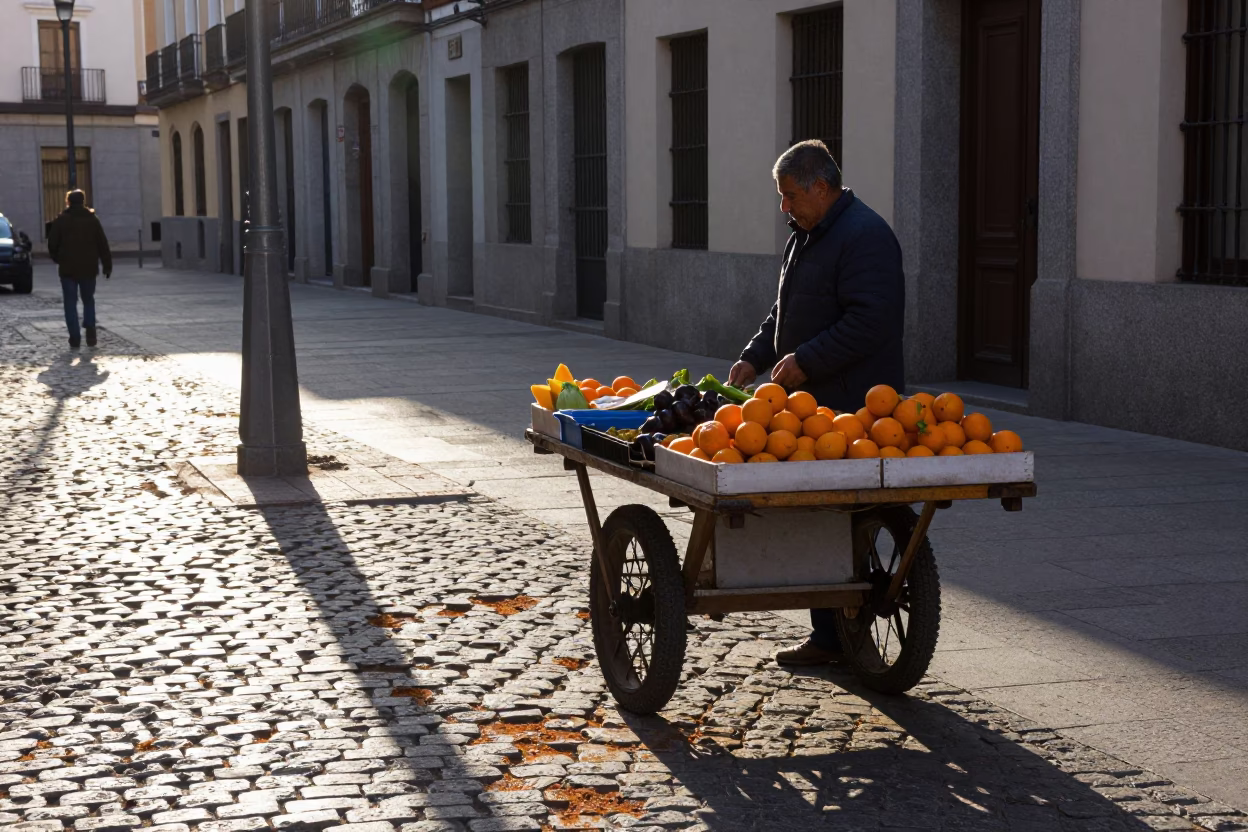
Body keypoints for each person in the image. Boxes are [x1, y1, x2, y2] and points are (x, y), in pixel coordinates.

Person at [729, 140, 905, 666]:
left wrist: (809, 360)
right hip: (813, 405)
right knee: (820, 519)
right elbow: (784, 312)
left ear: (820, 188)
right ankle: (830, 637)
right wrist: (754, 358)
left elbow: (870, 320)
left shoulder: (865, 237)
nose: (783, 207)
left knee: (842, 519)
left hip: (853, 403)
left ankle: (841, 633)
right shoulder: (806, 235)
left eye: (788, 196)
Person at [48, 189, 112, 349]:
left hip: (68, 269)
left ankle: (74, 337)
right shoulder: (92, 220)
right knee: (88, 299)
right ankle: (90, 329)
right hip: (88, 268)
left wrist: (58, 258)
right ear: (83, 201)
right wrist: (107, 265)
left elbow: (52, 244)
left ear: (68, 201)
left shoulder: (61, 220)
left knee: (70, 303)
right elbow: (102, 243)